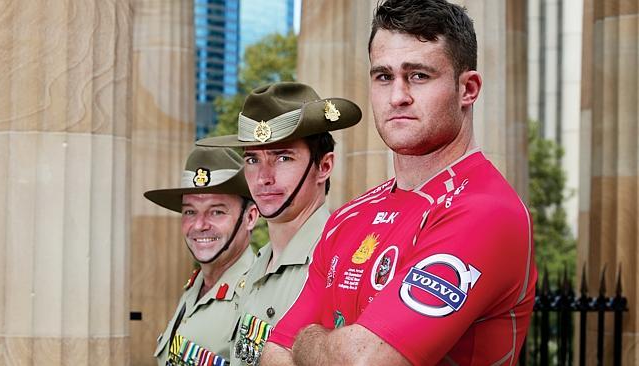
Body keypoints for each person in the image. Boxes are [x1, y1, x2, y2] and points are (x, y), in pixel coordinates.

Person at [262, 1, 538, 365]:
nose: (397, 96)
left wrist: (308, 340)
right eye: (383, 76)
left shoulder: (486, 210)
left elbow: (364, 362)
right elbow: (272, 354)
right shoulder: (348, 217)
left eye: (419, 76)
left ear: (468, 89)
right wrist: (330, 348)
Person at [196, 82, 362, 366]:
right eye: (252, 159)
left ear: (324, 166)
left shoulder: (342, 261)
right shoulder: (259, 263)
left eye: (283, 158)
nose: (263, 177)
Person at [146, 147, 259, 366]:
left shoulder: (256, 297)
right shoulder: (195, 288)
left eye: (217, 211)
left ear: (250, 217)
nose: (199, 225)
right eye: (190, 211)